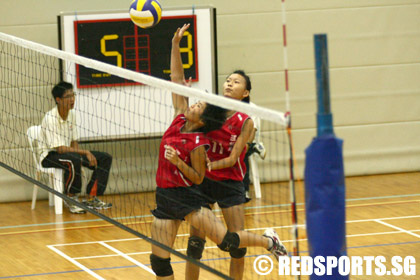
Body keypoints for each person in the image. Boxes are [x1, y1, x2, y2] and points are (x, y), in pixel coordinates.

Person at [149, 24, 286, 280]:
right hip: (181, 192)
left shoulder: (231, 125)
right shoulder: (183, 117)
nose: (229, 83)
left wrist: (185, 162)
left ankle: (268, 242)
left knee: (232, 245)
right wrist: (175, 45)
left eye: (236, 82)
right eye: (228, 80)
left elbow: (229, 159)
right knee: (179, 253)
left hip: (219, 183)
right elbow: (177, 81)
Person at [39, 81, 113, 214]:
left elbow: (73, 142)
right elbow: (60, 149)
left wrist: (83, 155)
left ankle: (91, 197)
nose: (72, 99)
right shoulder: (50, 118)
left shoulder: (71, 114)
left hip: (68, 153)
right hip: (49, 156)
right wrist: (84, 152)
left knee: (104, 158)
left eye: (73, 95)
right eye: (68, 96)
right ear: (58, 100)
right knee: (74, 159)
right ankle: (71, 197)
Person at [242, 101, 267, 202]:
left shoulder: (252, 108)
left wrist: (247, 145)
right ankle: (255, 147)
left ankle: (244, 190)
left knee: (243, 151)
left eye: (235, 83)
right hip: (230, 139)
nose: (230, 85)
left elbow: (253, 130)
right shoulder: (224, 104)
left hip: (244, 140)